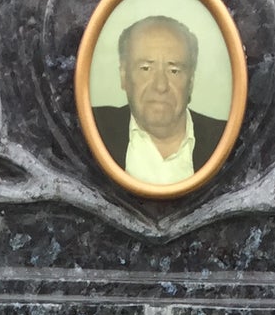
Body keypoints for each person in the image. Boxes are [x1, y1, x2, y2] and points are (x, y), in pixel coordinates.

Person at [92, 14, 227, 186]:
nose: (161, 86)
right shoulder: (91, 132)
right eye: (146, 68)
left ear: (191, 82)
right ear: (124, 77)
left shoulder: (227, 143)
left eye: (174, 71)